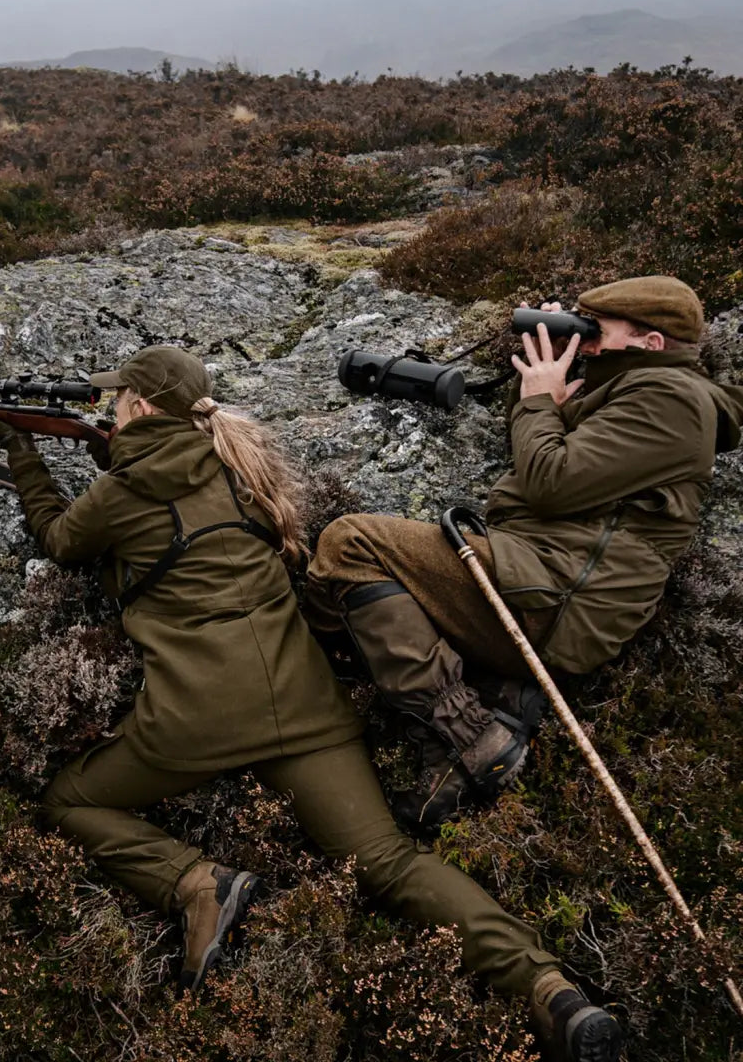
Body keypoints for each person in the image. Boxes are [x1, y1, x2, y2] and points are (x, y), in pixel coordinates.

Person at [0, 344, 623, 1062]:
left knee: (68, 801)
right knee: (389, 864)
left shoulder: (121, 495)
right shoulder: (240, 465)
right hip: (308, 709)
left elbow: (64, 538)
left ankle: (196, 884)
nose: (109, 407)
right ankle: (550, 990)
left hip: (195, 722)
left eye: (117, 399)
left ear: (141, 408)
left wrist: (22, 452)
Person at [306, 275, 743, 833]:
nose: (582, 337)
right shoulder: (630, 390)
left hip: (558, 599)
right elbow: (549, 463)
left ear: (650, 343)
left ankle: (466, 734)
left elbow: (549, 482)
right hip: (540, 575)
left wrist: (540, 400)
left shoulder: (672, 401)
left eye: (596, 329)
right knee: (370, 568)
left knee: (352, 542)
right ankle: (496, 696)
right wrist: (545, 388)